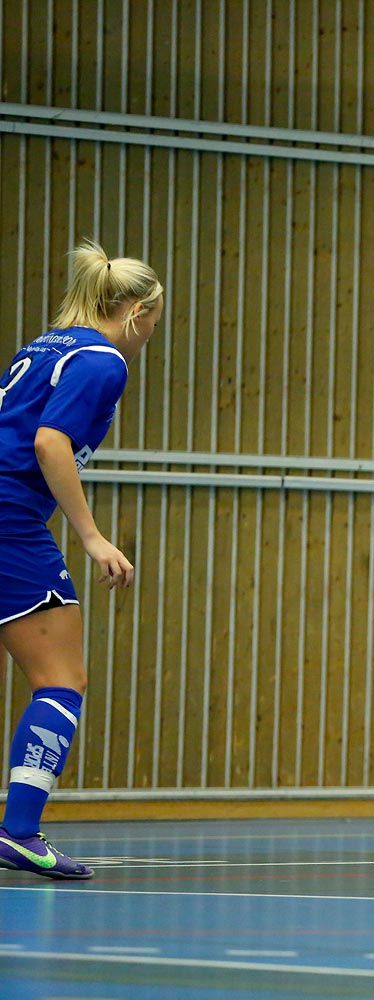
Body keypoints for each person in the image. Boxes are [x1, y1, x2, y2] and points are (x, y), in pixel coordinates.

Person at [0, 241, 164, 880]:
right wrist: (92, 535)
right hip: (10, 521)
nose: (153, 330)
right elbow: (48, 441)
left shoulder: (43, 347)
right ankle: (18, 832)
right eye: (155, 318)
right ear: (137, 311)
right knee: (61, 679)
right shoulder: (102, 359)